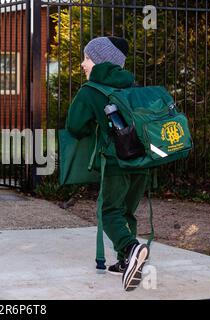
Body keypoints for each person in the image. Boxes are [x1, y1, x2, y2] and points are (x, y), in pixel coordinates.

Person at [65, 36, 149, 291]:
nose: (82, 64)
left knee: (108, 211)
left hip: (116, 161)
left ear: (100, 60)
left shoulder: (91, 90)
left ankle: (131, 248)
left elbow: (75, 127)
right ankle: (126, 263)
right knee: (126, 211)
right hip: (142, 161)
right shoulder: (132, 85)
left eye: (87, 58)